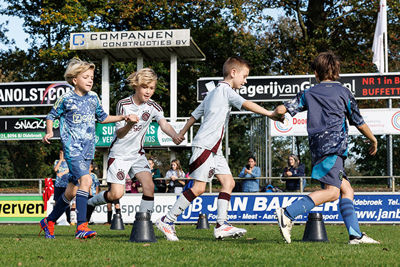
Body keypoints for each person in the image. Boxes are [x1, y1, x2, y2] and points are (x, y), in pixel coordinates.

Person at [156, 56, 281, 241]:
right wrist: (270, 114)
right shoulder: (225, 90)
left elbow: (194, 116)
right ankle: (167, 220)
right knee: (198, 188)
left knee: (228, 183)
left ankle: (221, 225)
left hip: (215, 150)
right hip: (205, 147)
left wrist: (181, 134)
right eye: (244, 76)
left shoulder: (213, 93)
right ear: (233, 73)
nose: (245, 81)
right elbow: (246, 104)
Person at [273, 51, 380, 244]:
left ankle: (355, 235)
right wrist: (373, 140)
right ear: (337, 72)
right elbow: (358, 121)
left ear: (316, 73)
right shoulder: (344, 92)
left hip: (318, 148)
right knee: (332, 192)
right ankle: (288, 213)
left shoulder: (308, 93)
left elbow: (283, 108)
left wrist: (277, 113)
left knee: (346, 190)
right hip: (334, 148)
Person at [39, 57, 127, 239]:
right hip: (72, 149)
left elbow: (102, 117)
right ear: (74, 80)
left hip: (88, 149)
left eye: (92, 77)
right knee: (86, 182)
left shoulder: (94, 97)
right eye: (86, 77)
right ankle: (81, 227)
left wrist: (122, 118)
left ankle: (49, 220)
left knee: (71, 191)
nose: (90, 80)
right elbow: (51, 115)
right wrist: (49, 132)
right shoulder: (66, 98)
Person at [86, 68, 182, 224]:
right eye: (145, 87)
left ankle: (143, 223)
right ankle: (90, 203)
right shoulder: (123, 104)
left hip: (137, 154)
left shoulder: (154, 107)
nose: (148, 91)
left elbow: (164, 124)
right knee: (116, 194)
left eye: (152, 88)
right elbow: (120, 134)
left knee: (149, 186)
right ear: (136, 86)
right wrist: (129, 124)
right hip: (119, 155)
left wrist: (174, 135)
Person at [53, 149, 71, 224]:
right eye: (60, 153)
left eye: (62, 153)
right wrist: (60, 160)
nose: (61, 154)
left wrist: (63, 173)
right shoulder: (57, 161)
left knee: (67, 202)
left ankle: (69, 220)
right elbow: (55, 169)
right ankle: (54, 219)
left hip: (66, 185)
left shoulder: (68, 161)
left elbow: (69, 170)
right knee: (57, 202)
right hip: (58, 185)